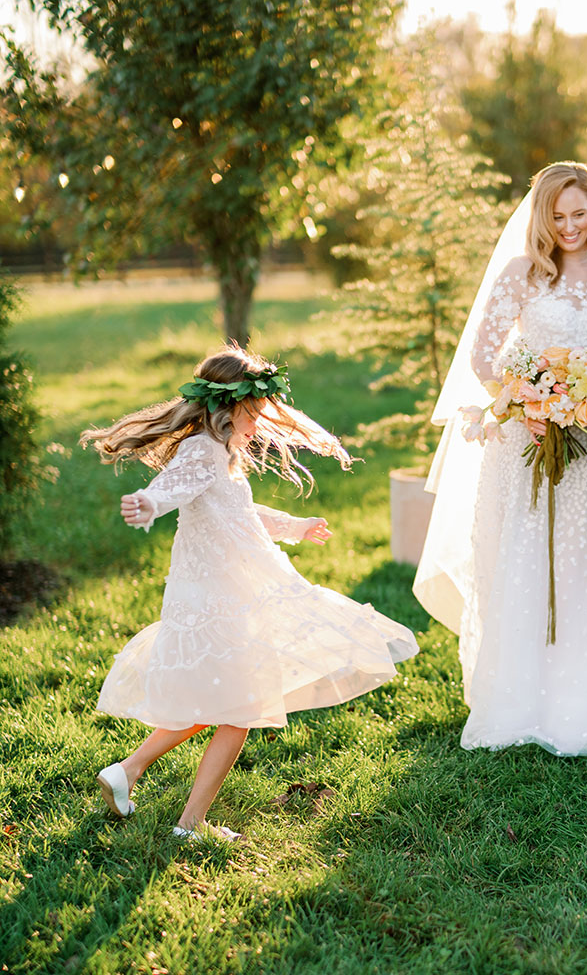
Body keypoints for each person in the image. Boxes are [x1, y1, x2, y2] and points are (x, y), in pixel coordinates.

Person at [81, 345, 418, 840]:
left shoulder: (221, 453)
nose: (258, 425)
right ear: (228, 408)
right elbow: (173, 487)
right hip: (220, 597)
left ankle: (127, 771)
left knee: (219, 700)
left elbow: (236, 512)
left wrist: (295, 526)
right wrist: (150, 503)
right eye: (253, 414)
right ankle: (190, 826)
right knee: (239, 709)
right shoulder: (201, 451)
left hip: (221, 593)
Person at [414, 162, 587, 756]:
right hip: (528, 444)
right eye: (558, 215)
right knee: (528, 559)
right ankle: (523, 694)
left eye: (581, 214)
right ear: (541, 215)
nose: (570, 225)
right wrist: (532, 399)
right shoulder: (521, 274)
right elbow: (483, 357)